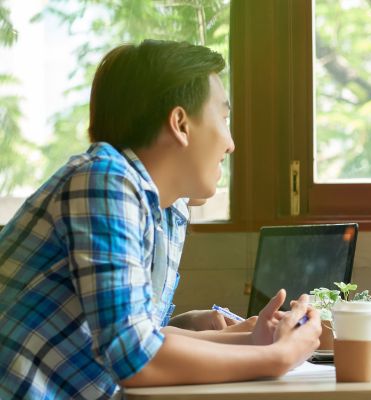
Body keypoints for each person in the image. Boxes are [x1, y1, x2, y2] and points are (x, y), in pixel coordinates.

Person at [0, 40, 320, 399]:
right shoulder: (105, 182)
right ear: (180, 123)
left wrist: (254, 340)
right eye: (225, 118)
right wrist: (277, 357)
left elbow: (143, 335)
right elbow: (136, 359)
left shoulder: (159, 208)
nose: (231, 143)